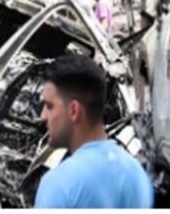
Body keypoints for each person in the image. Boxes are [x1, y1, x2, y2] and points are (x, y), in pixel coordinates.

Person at [34, 54, 153, 208]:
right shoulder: (138, 175)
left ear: (73, 110)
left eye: (50, 106)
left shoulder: (57, 184)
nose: (42, 116)